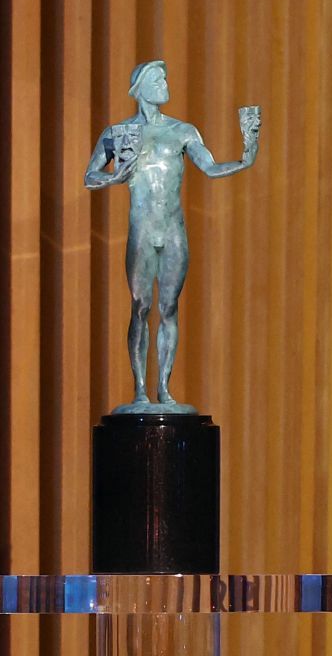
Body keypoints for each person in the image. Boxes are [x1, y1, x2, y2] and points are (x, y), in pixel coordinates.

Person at [84, 59, 260, 413]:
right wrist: (114, 179)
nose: (166, 83)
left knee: (168, 308)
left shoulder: (183, 132)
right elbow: (90, 176)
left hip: (173, 230)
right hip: (143, 230)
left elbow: (209, 168)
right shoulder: (119, 133)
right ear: (142, 89)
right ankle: (140, 390)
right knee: (140, 306)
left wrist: (245, 157)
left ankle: (163, 387)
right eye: (159, 79)